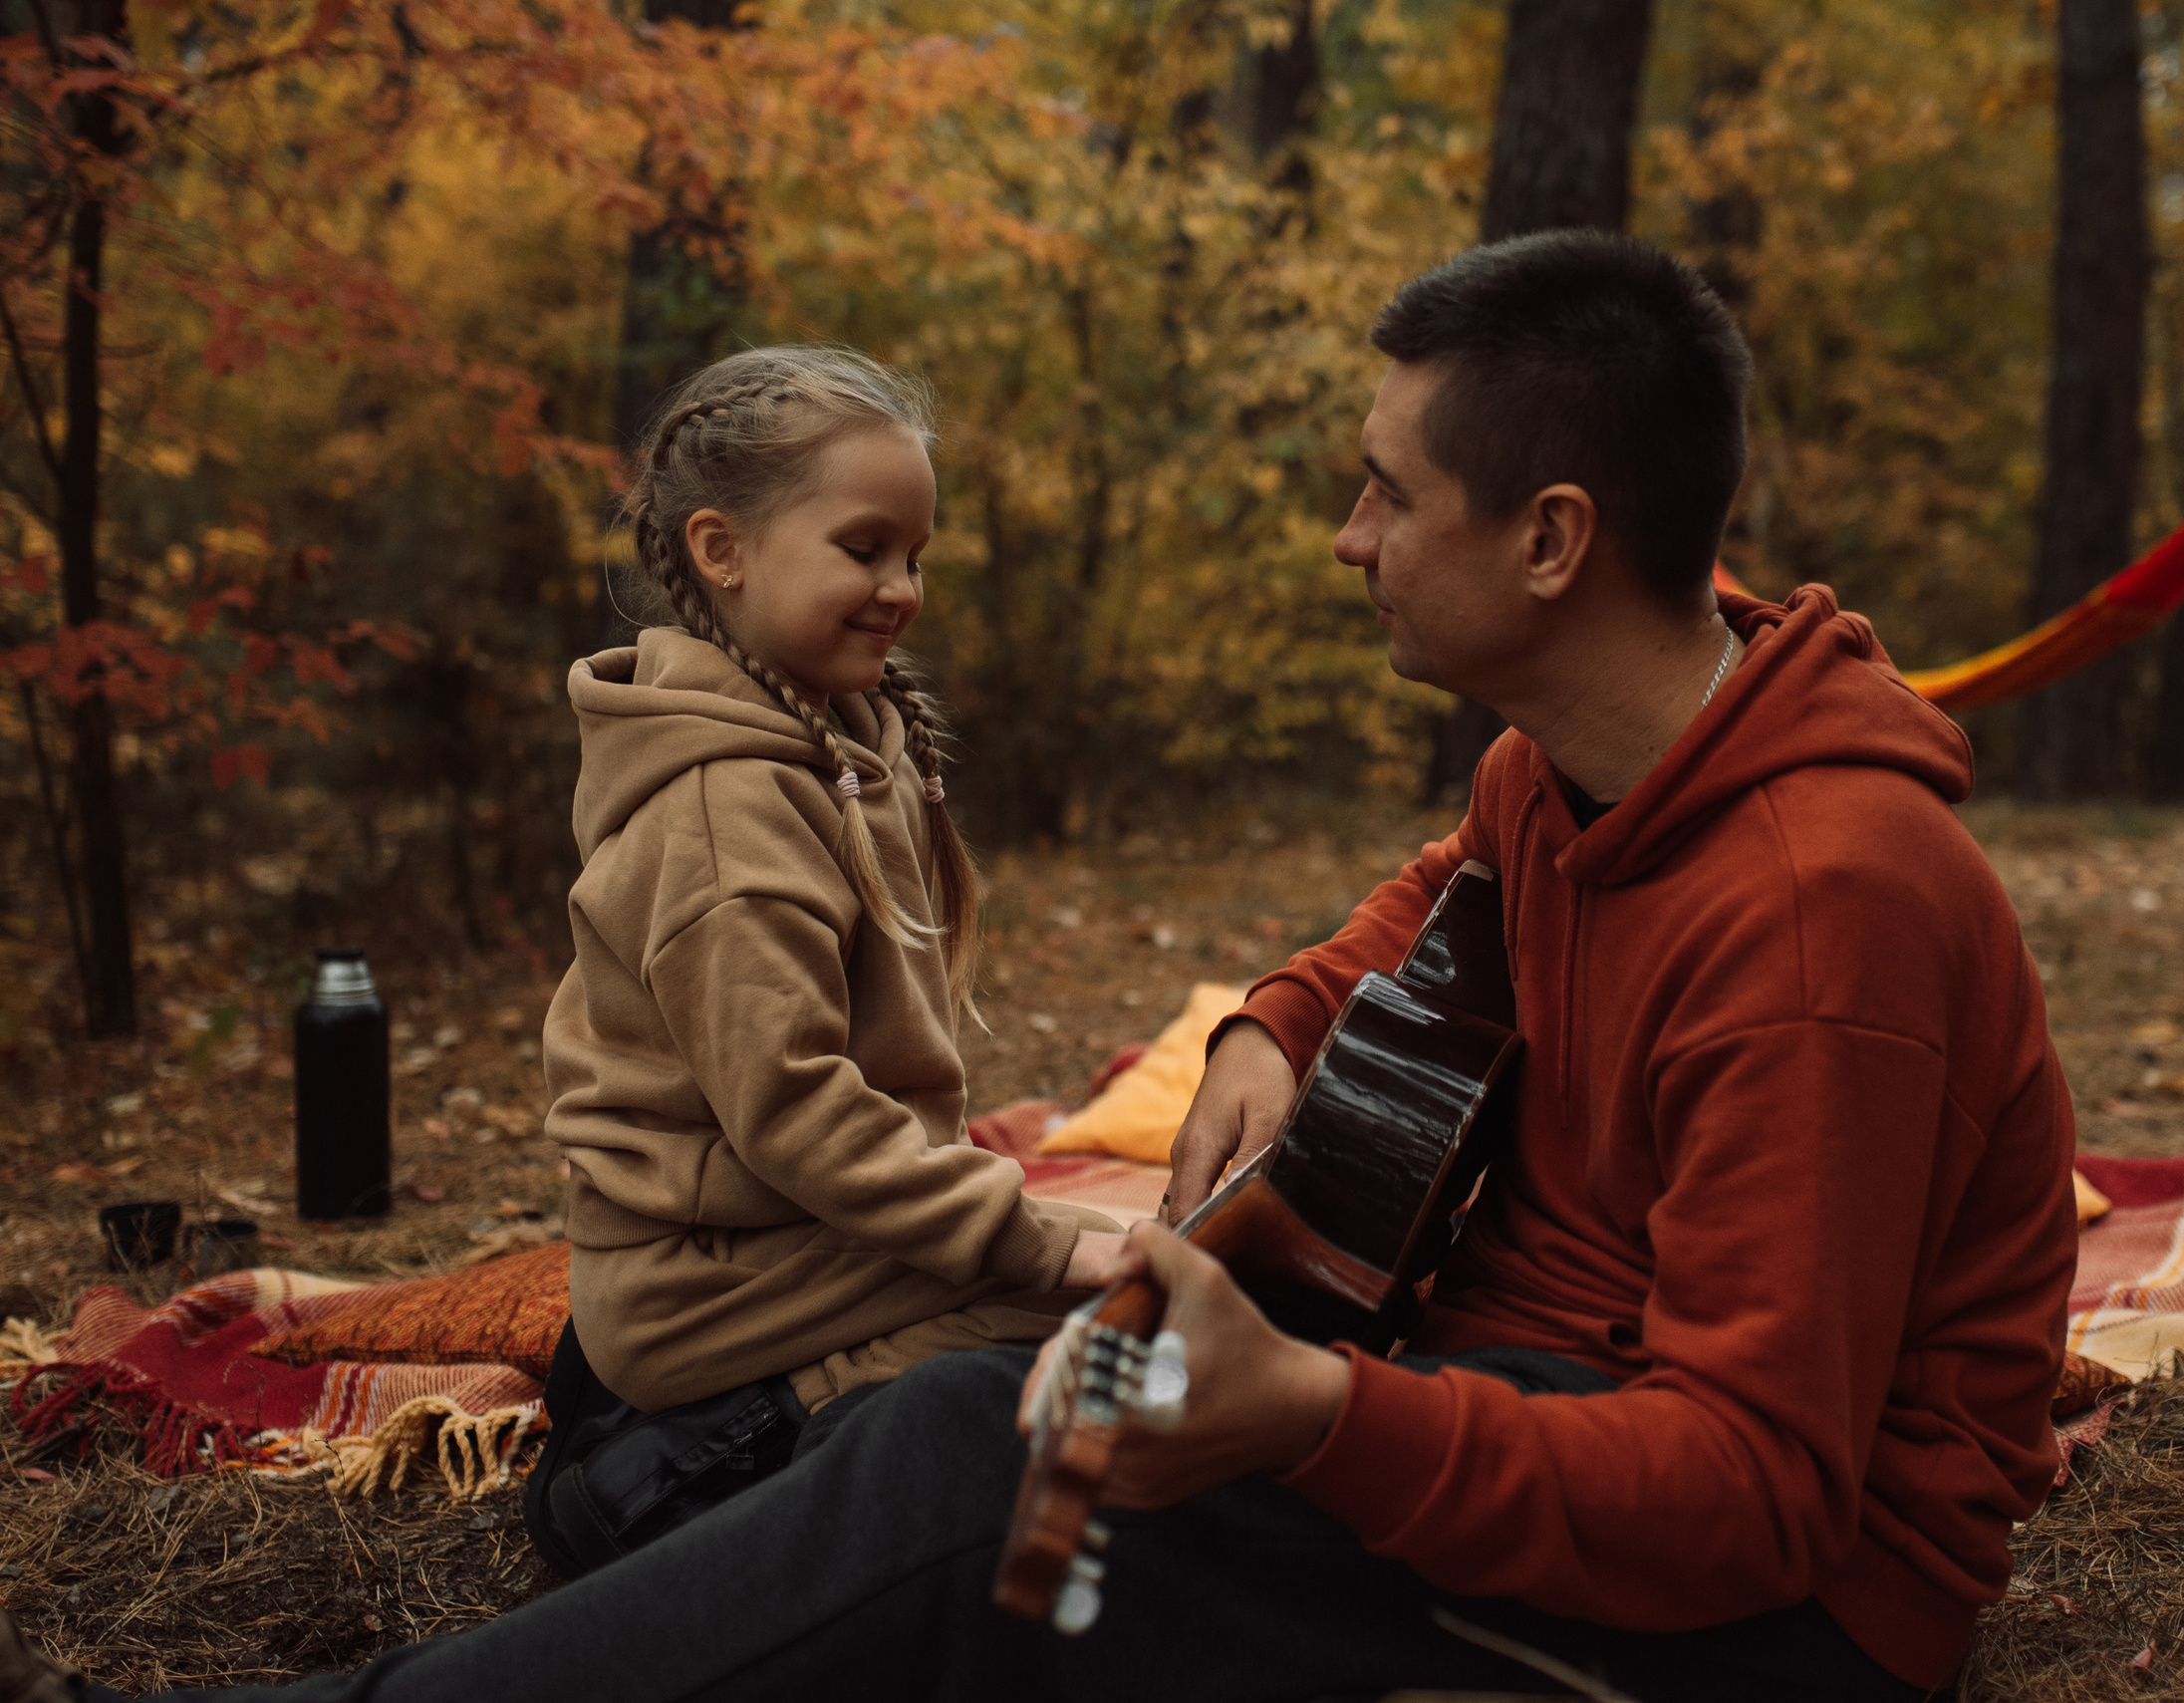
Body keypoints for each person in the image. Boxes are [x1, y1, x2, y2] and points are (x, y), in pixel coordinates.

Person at [0, 233, 2073, 1703]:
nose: (1344, 533)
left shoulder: (1824, 914)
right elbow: (1425, 903)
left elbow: (1753, 1497)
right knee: (938, 1459)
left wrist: (1314, 1415)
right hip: (1512, 1371)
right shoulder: (1580, 763)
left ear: (1547, 538)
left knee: (965, 1450)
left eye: (1383, 489)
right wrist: (1280, 1015)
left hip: (1776, 1604)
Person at [523, 347, 1130, 1571]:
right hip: (711, 1282)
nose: (901, 586)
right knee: (1108, 1303)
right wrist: (1042, 1242)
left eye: (915, 555)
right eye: (864, 549)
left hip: (792, 1227)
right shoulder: (725, 816)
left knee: (1151, 1252)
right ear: (719, 547)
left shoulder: (832, 731)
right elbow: (796, 1110)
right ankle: (701, 1462)